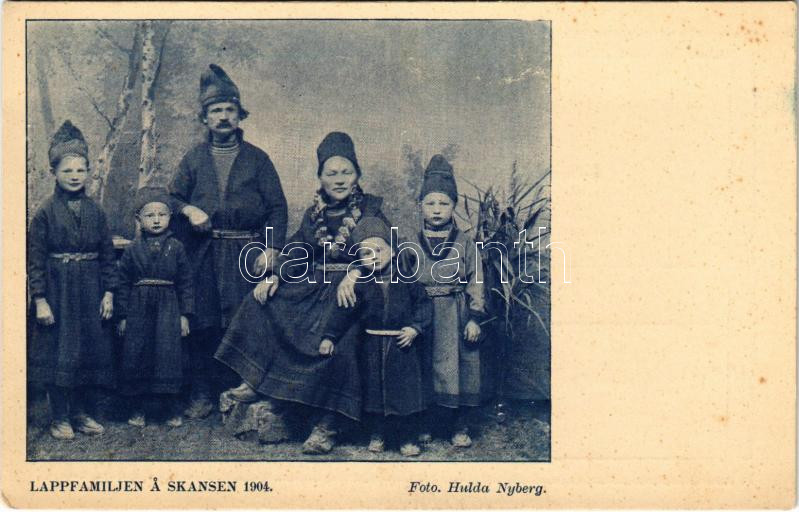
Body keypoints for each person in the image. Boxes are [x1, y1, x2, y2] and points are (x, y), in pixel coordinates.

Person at [216, 131, 389, 454]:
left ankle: (328, 425)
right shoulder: (316, 215)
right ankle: (259, 380)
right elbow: (299, 249)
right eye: (331, 173)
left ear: (358, 176)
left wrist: (355, 273)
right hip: (316, 287)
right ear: (320, 178)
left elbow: (382, 251)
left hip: (354, 295)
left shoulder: (370, 211)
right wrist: (275, 275)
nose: (339, 180)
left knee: (344, 342)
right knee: (261, 301)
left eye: (346, 172)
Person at [169, 64, 288, 419]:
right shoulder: (193, 159)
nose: (223, 117)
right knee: (203, 322)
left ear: (239, 115)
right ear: (204, 118)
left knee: (245, 321)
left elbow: (277, 209)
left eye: (229, 110)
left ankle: (240, 391)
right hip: (203, 254)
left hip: (245, 254)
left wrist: (270, 248)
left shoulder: (258, 159)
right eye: (215, 111)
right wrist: (189, 209)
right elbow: (171, 198)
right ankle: (202, 392)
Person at [27, 121, 117, 440]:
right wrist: (40, 300)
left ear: (89, 171)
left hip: (90, 290)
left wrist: (108, 293)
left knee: (86, 353)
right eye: (68, 170)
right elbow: (35, 260)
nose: (75, 176)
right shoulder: (45, 213)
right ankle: (60, 417)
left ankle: (80, 414)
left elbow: (108, 255)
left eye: (81, 169)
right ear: (54, 172)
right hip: (57, 291)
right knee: (59, 353)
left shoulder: (97, 211)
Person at [319, 217, 431, 457]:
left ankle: (407, 437)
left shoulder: (408, 279)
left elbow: (424, 306)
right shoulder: (360, 284)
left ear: (392, 251)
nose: (374, 256)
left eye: (379, 250)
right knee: (374, 393)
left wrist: (415, 329)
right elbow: (343, 312)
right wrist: (329, 337)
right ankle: (377, 434)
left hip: (403, 346)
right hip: (371, 345)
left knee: (405, 395)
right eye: (366, 253)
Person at [415, 155, 487, 448]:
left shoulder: (465, 242)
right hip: (423, 316)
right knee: (424, 368)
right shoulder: (410, 240)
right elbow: (400, 279)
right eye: (430, 203)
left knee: (460, 369)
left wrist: (474, 317)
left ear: (454, 206)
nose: (436, 210)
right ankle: (427, 423)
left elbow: (476, 279)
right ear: (420, 205)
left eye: (444, 203)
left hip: (455, 316)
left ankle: (460, 426)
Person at [116, 187, 194, 428]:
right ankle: (138, 408)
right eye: (150, 215)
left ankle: (171, 409)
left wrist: (185, 316)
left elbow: (186, 283)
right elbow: (122, 284)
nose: (157, 220)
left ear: (170, 217)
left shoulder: (177, 247)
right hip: (138, 310)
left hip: (168, 310)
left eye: (162, 214)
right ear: (139, 219)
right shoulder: (131, 250)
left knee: (168, 356)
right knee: (138, 354)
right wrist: (122, 317)